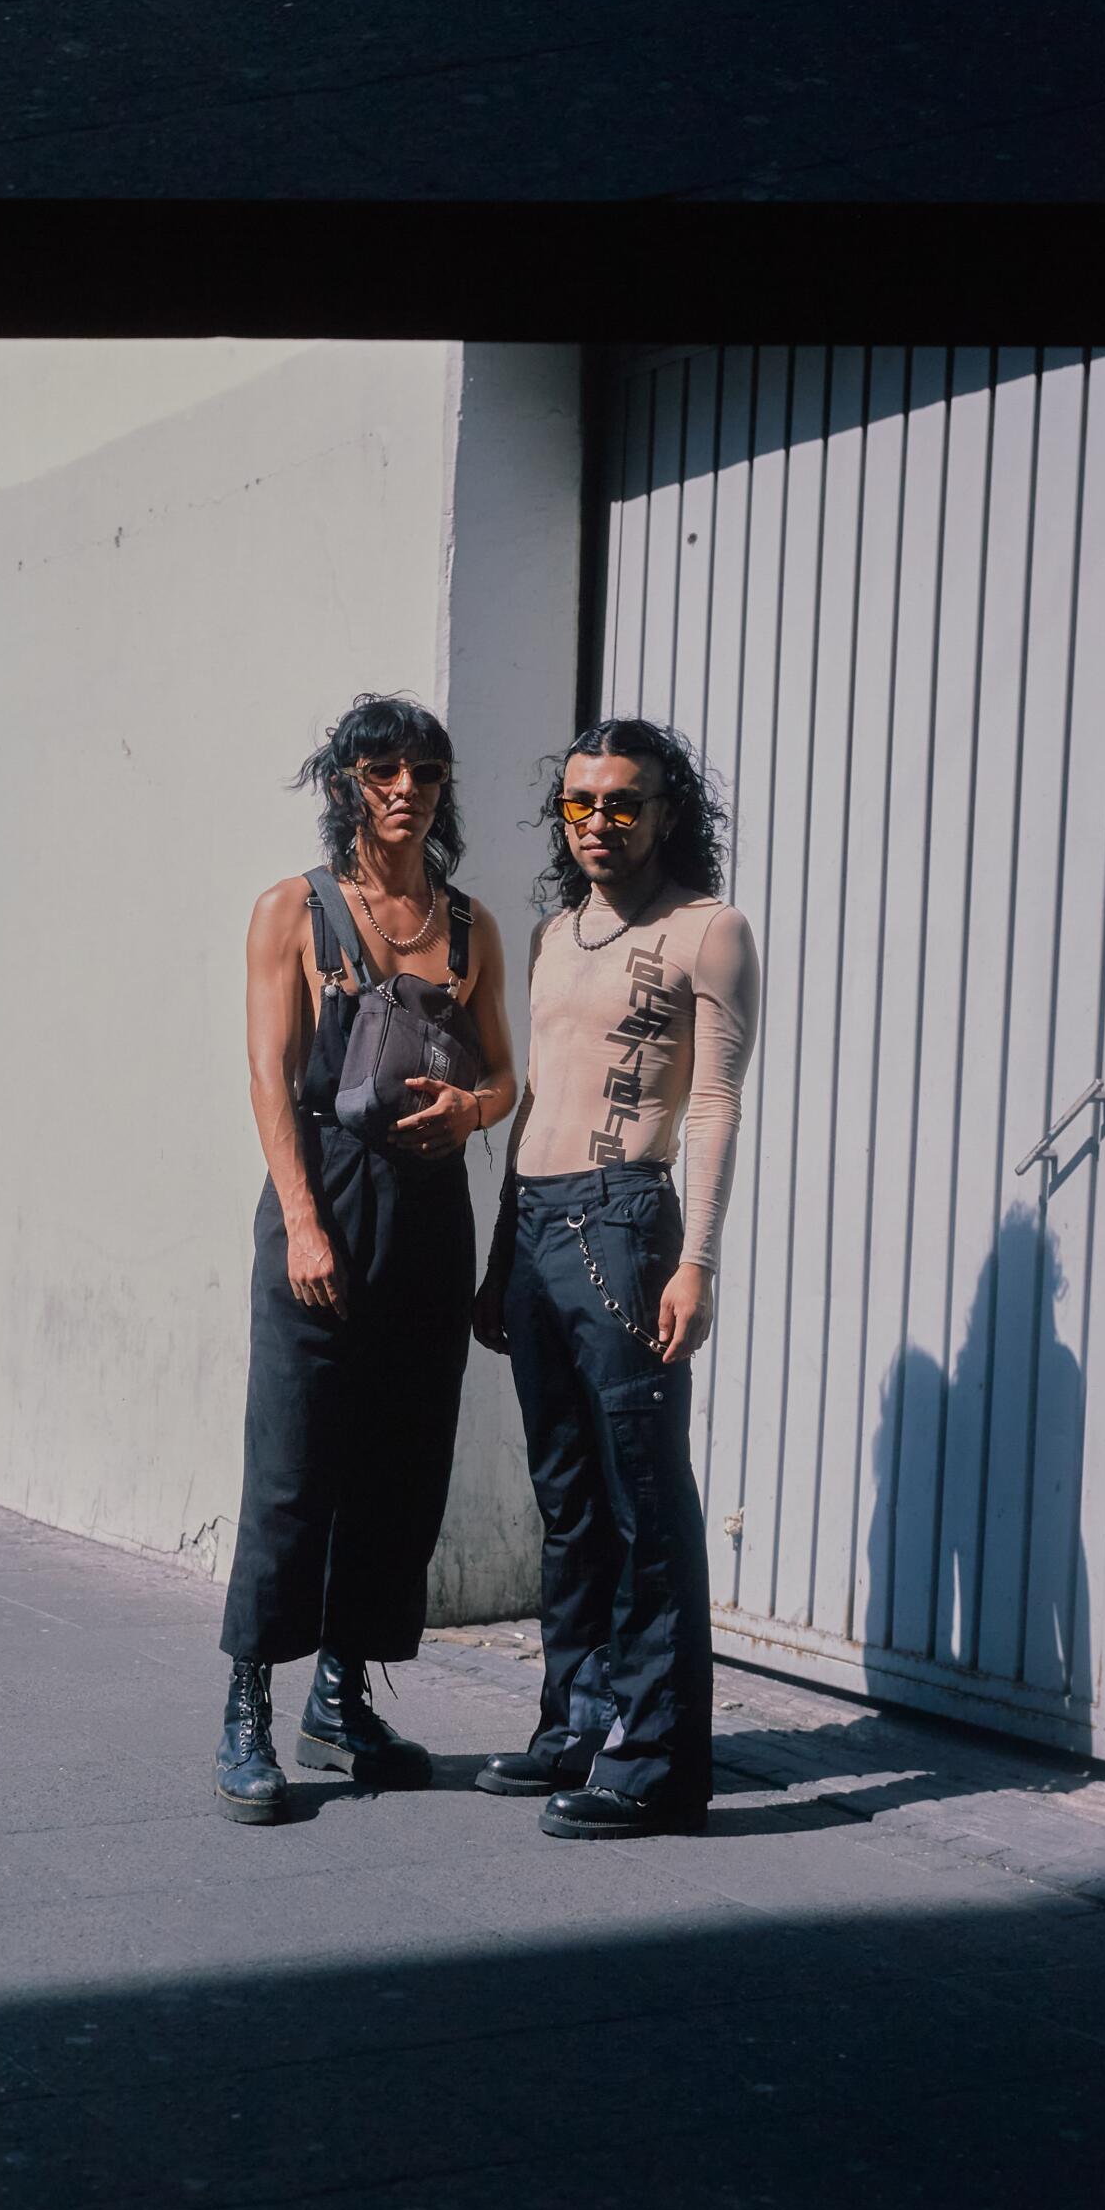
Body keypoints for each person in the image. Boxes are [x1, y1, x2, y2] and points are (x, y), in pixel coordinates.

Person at [215, 694, 517, 1823]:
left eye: (425, 773)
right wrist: (299, 1219)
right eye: (381, 770)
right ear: (342, 783)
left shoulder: (470, 925)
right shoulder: (290, 912)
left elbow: (503, 1075)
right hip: (324, 1195)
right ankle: (247, 1703)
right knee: (293, 1462)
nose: (404, 790)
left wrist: (474, 1114)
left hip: (428, 1208)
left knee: (401, 1464)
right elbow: (266, 1072)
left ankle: (339, 1700)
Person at [473, 719, 760, 1838]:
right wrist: (503, 1249)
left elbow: (714, 1101)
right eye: (581, 803)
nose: (601, 822)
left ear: (667, 811)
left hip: (624, 1222)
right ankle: (575, 1722)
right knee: (567, 1497)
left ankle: (656, 1763)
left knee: (643, 1501)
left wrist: (697, 1260)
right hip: (538, 1222)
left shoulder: (707, 931)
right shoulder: (554, 934)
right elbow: (539, 1095)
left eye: (624, 803)